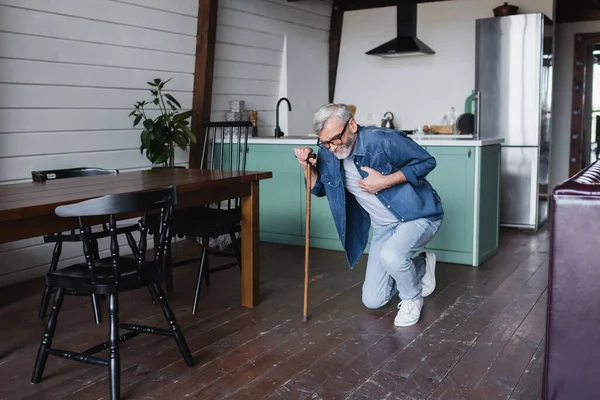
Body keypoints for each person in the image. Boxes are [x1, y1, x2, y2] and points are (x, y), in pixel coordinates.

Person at [294, 103, 444, 327]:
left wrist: (385, 181)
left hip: (417, 216)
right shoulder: (329, 151)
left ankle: (412, 298)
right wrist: (306, 166)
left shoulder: (382, 140)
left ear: (352, 125)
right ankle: (422, 265)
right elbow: (319, 189)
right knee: (373, 300)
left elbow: (427, 161)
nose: (332, 147)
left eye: (335, 139)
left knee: (392, 256)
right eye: (324, 142)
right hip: (383, 227)